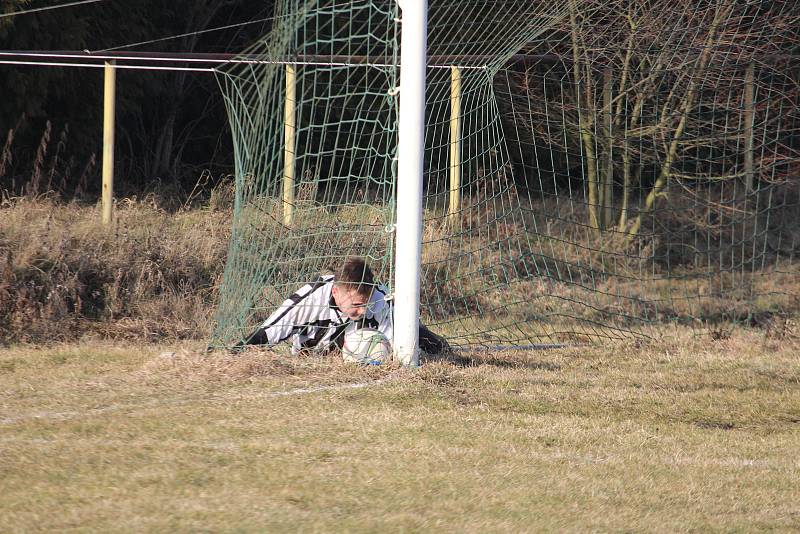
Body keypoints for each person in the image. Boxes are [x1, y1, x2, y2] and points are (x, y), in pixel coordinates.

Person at [234, 256, 448, 356]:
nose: (363, 311)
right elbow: (269, 332)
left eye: (365, 304)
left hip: (363, 363)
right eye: (356, 304)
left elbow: (403, 342)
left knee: (430, 342)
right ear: (336, 292)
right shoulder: (310, 299)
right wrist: (235, 353)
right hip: (311, 362)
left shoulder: (380, 300)